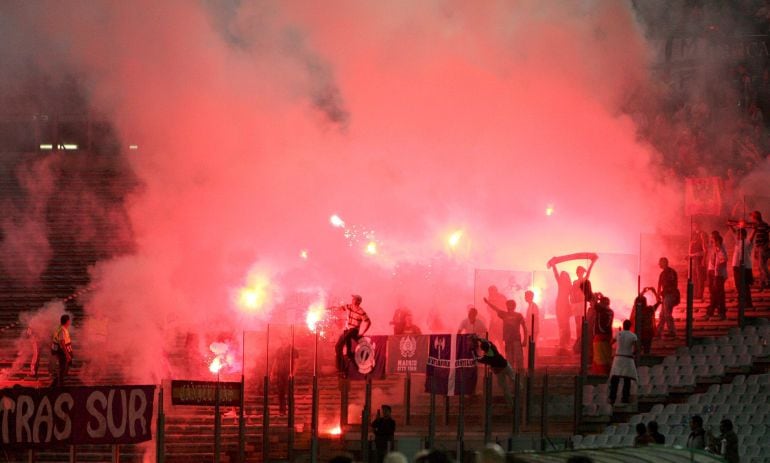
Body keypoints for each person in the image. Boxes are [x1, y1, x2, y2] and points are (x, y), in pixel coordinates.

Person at [470, 335, 516, 407]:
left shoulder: (486, 358)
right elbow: (486, 341)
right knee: (514, 379)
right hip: (506, 366)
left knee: (505, 388)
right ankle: (522, 390)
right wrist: (478, 339)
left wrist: (472, 350)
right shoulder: (493, 348)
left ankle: (511, 404)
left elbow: (476, 358)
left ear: (483, 350)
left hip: (499, 372)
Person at [483, 298, 527, 370]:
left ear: (514, 306)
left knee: (519, 358)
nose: (509, 307)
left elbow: (524, 327)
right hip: (508, 340)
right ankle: (511, 373)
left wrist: (525, 339)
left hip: (516, 339)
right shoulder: (504, 314)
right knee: (509, 358)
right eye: (508, 305)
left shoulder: (518, 315)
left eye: (511, 305)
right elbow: (496, 309)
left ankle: (520, 374)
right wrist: (488, 302)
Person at [335, 295, 371, 376]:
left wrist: (362, 333)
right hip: (347, 330)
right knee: (348, 353)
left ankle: (340, 368)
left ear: (358, 301)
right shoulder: (349, 306)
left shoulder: (361, 311)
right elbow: (340, 308)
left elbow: (368, 322)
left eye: (354, 299)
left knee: (338, 346)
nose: (352, 299)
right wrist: (329, 309)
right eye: (353, 298)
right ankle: (354, 369)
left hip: (353, 330)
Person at [569, 255, 598, 353]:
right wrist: (571, 302)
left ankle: (581, 341)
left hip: (581, 304)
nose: (581, 273)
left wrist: (592, 263)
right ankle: (579, 341)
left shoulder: (583, 280)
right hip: (576, 304)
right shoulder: (574, 282)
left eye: (582, 272)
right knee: (578, 324)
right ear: (577, 273)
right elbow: (571, 293)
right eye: (580, 272)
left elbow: (588, 273)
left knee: (581, 324)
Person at [608, 320, 638, 404]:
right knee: (627, 379)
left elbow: (611, 343)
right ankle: (625, 398)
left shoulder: (618, 334)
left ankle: (612, 398)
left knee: (615, 379)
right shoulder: (633, 336)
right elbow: (636, 349)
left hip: (618, 357)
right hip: (628, 358)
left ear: (623, 325)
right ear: (630, 326)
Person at [547, 259, 573, 353]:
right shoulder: (564, 284)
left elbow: (556, 275)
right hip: (561, 305)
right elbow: (556, 275)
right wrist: (553, 266)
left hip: (563, 305)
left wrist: (554, 265)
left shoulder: (566, 285)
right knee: (562, 324)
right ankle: (563, 342)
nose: (562, 277)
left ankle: (564, 342)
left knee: (564, 325)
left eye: (563, 275)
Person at [729, 223, 754, 309]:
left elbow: (753, 234)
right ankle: (742, 302)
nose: (737, 235)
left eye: (739, 234)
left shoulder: (747, 242)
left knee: (745, 285)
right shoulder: (737, 241)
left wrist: (754, 229)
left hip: (745, 266)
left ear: (743, 235)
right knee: (739, 286)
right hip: (736, 266)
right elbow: (733, 233)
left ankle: (748, 303)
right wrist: (730, 226)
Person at [704, 231, 728, 321]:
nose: (711, 240)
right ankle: (712, 312)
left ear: (716, 240)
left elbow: (724, 260)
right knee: (713, 293)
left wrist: (717, 268)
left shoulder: (721, 248)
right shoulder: (713, 248)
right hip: (711, 272)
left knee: (719, 294)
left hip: (718, 274)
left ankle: (719, 313)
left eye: (712, 239)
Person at [271, 343, 299, 415]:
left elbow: (296, 363)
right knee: (281, 393)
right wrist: (272, 372)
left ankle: (291, 410)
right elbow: (275, 361)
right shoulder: (279, 350)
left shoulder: (293, 350)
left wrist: (293, 374)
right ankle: (282, 411)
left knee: (289, 393)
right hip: (280, 374)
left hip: (288, 374)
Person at [656, 257, 679, 338]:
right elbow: (659, 285)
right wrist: (658, 294)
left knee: (667, 314)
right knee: (662, 314)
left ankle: (672, 331)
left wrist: (661, 293)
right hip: (666, 296)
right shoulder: (663, 274)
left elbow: (671, 286)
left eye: (660, 262)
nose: (659, 264)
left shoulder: (670, 273)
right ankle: (658, 331)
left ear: (665, 263)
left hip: (670, 296)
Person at [630, 288, 658, 354]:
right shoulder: (650, 309)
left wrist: (642, 292)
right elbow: (659, 302)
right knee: (646, 351)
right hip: (648, 334)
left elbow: (637, 300)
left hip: (639, 334)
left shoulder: (636, 311)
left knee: (637, 352)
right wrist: (654, 292)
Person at [592, 295, 614, 375]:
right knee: (606, 356)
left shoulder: (602, 310)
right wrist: (601, 297)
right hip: (608, 336)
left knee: (599, 358)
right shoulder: (610, 311)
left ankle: (600, 375)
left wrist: (596, 297)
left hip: (600, 336)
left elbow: (594, 303)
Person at [749, 210, 769, 289]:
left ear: (755, 218)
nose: (751, 219)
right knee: (760, 267)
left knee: (762, 266)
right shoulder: (762, 225)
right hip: (759, 247)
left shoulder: (761, 225)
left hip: (762, 247)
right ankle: (762, 283)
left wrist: (766, 245)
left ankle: (767, 281)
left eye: (752, 217)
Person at [689, 224, 708, 301]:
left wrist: (703, 259)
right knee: (694, 278)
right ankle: (695, 293)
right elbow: (690, 251)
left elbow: (705, 250)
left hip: (699, 259)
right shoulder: (692, 239)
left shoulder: (701, 237)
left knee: (700, 277)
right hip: (693, 260)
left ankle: (700, 294)